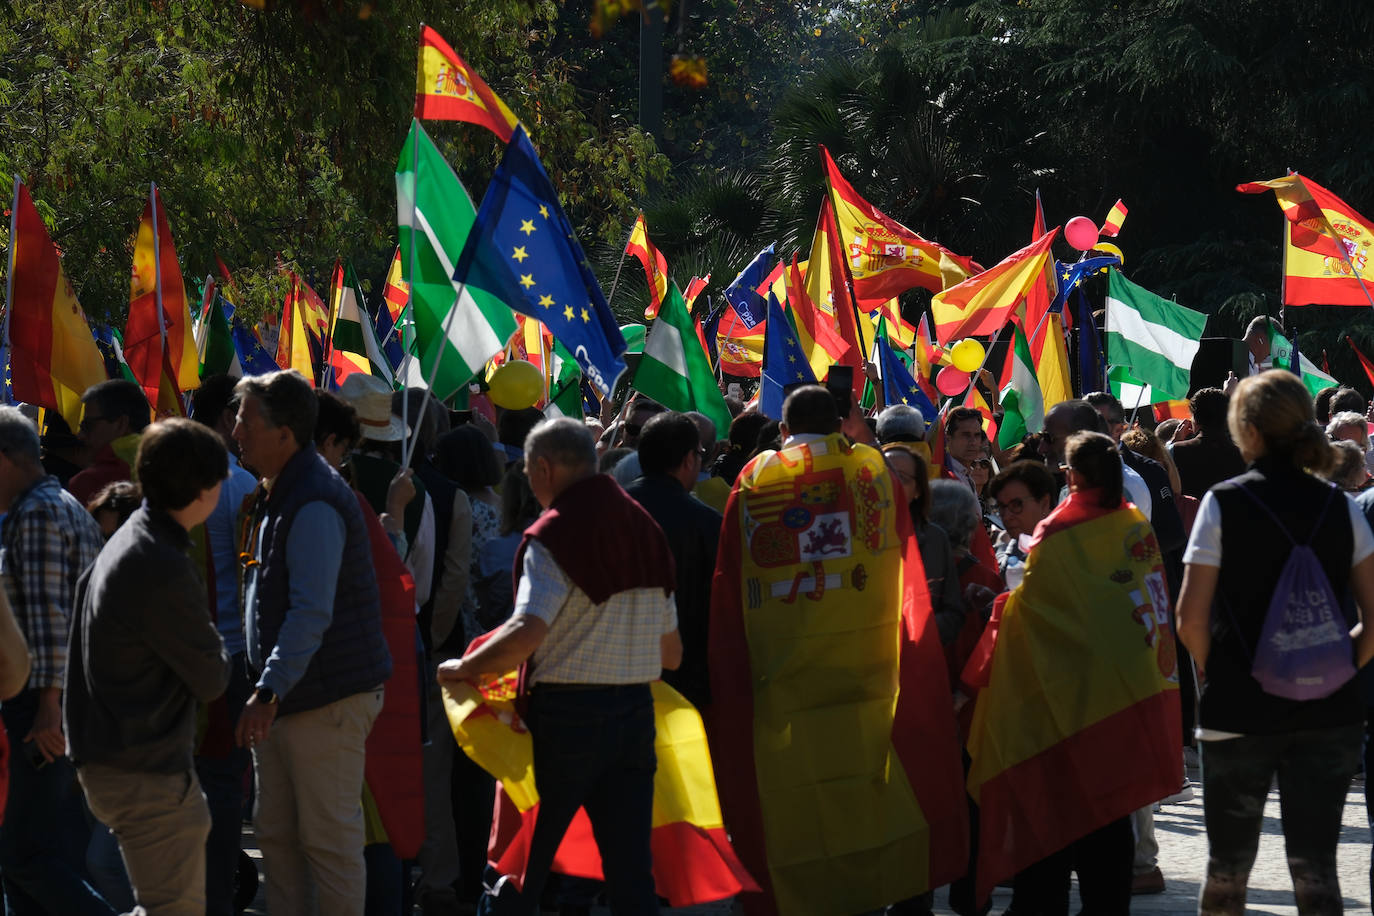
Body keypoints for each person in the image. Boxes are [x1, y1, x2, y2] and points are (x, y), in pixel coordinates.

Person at [708, 386, 968, 914]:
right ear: (843, 428)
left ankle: (798, 896)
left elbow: (730, 578)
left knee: (795, 797)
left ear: (783, 432)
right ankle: (864, 892)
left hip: (782, 677)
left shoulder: (754, 480)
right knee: (862, 790)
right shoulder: (872, 473)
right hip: (865, 671)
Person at [436, 418, 681, 914]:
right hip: (634, 714)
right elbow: (670, 654)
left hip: (567, 719)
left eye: (527, 471)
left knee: (527, 861)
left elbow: (528, 630)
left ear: (544, 468)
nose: (527, 481)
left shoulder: (555, 533)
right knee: (631, 870)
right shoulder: (645, 529)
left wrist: (466, 667)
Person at [1176, 371, 1374, 916]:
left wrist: (1223, 670)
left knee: (1226, 876)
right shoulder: (1342, 507)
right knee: (1317, 875)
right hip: (1329, 711)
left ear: (1250, 432)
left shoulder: (1222, 504)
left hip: (1238, 705)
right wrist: (1339, 666)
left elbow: (1190, 619)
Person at [964, 431, 1181, 914]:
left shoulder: (1060, 528)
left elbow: (1034, 609)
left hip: (1066, 696)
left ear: (1070, 476)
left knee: (1056, 808)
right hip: (1129, 689)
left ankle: (1043, 904)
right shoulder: (1132, 524)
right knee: (1111, 811)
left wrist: (1000, 606)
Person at [232, 370, 392, 916]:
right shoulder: (279, 493)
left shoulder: (314, 499)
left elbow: (310, 613)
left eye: (246, 420)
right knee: (276, 836)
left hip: (320, 701)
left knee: (327, 843)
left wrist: (269, 690)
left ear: (285, 433)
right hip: (292, 699)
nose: (235, 432)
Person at [66, 418, 232, 916]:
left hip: (120, 757)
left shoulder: (134, 539)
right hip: (143, 765)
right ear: (202, 489)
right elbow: (211, 676)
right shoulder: (158, 560)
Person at [0, 404, 113, 914]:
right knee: (45, 852)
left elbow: (48, 618)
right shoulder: (63, 505)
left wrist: (48, 705)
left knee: (27, 855)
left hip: (43, 711)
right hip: (65, 703)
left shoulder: (39, 513)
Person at [189, 372, 267, 916]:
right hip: (230, 655)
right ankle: (214, 896)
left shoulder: (174, 485)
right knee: (220, 783)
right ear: (226, 419)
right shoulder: (242, 488)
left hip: (186, 655)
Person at [625, 411, 723, 709]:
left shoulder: (606, 509)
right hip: (686, 676)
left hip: (617, 672)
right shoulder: (707, 523)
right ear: (690, 459)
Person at [68, 379, 150, 506]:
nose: (80, 436)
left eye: (87, 425)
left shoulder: (89, 483)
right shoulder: (176, 472)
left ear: (121, 424)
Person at [987, 461, 1057, 589]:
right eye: (1002, 507)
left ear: (1044, 503)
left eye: (1016, 505)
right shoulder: (1022, 539)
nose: (1007, 516)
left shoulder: (1063, 552)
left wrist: (1001, 546)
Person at [1169, 388, 1244, 499]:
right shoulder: (1244, 455)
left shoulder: (1175, 451)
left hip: (1189, 516)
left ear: (1195, 418)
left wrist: (1173, 442)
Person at [944, 406, 986, 493]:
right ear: (948, 439)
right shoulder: (944, 477)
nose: (973, 442)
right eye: (966, 435)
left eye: (977, 435)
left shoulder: (966, 476)